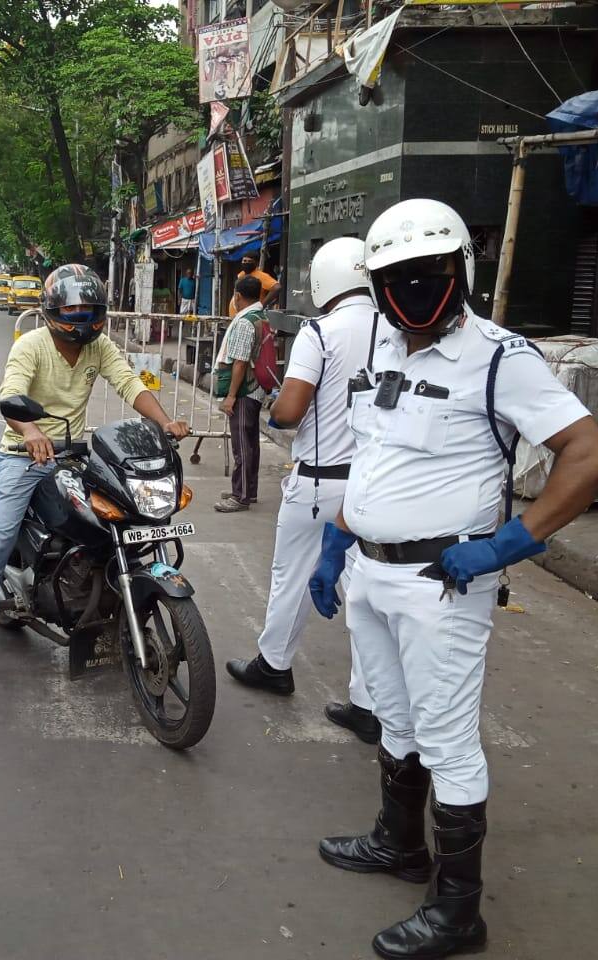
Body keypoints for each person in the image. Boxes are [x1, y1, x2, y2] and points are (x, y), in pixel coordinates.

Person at [309, 199, 598, 960]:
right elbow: (379, 458)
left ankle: (457, 911)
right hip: (371, 571)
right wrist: (335, 537)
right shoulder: (385, 348)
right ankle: (397, 843)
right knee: (394, 717)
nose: (410, 292)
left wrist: (511, 543)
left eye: (426, 277)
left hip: (444, 580)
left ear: (458, 273)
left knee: (448, 739)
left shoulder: (502, 357)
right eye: (392, 280)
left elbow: (589, 454)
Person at [0, 264, 190, 684]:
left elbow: (130, 384)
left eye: (91, 310)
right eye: (73, 311)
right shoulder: (31, 345)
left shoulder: (100, 347)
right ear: (53, 310)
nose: (82, 319)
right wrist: (32, 431)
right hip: (22, 453)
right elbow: (11, 394)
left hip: (73, 452)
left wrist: (165, 422)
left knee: (118, 516)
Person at [225, 237, 378, 743]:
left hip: (321, 481)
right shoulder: (396, 328)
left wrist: (277, 406)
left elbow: (288, 411)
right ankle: (370, 701)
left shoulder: (322, 331)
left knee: (291, 573)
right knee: (365, 592)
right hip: (375, 485)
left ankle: (274, 664)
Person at [214, 275, 266, 514]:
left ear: (237, 296)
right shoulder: (259, 316)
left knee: (242, 444)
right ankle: (248, 490)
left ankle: (241, 495)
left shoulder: (245, 322)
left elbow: (240, 362)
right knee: (250, 442)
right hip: (254, 388)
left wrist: (231, 396)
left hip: (245, 390)